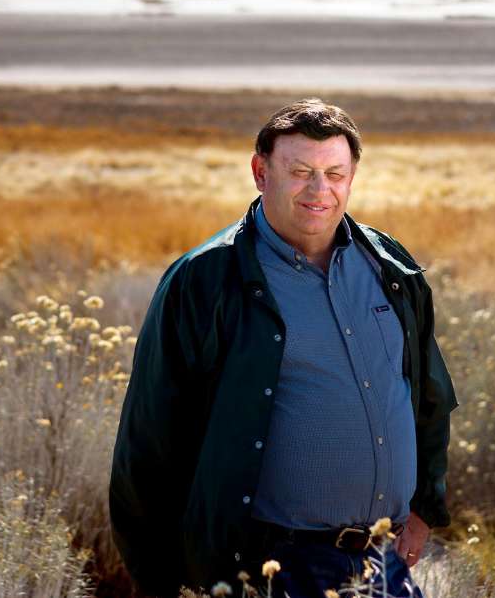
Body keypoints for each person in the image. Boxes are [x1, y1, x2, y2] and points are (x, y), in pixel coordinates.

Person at [109, 98, 458, 598]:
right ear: (260, 171)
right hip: (271, 567)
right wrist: (163, 581)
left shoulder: (389, 266)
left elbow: (428, 395)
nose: (320, 190)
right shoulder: (207, 280)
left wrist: (426, 506)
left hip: (382, 563)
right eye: (300, 172)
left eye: (335, 173)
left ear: (353, 175)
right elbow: (147, 447)